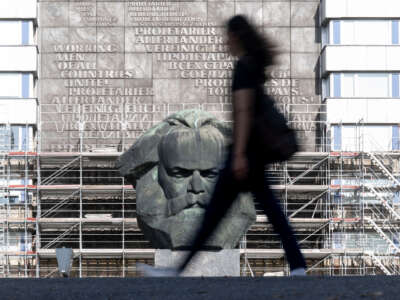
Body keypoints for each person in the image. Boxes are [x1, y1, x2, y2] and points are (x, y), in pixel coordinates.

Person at [139, 14, 307, 277]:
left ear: (236, 37)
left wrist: (239, 154)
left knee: (214, 217)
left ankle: (177, 271)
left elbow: (242, 111)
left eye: (227, 36)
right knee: (266, 213)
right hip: (253, 155)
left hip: (244, 155)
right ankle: (298, 267)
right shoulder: (254, 66)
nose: (224, 41)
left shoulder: (243, 68)